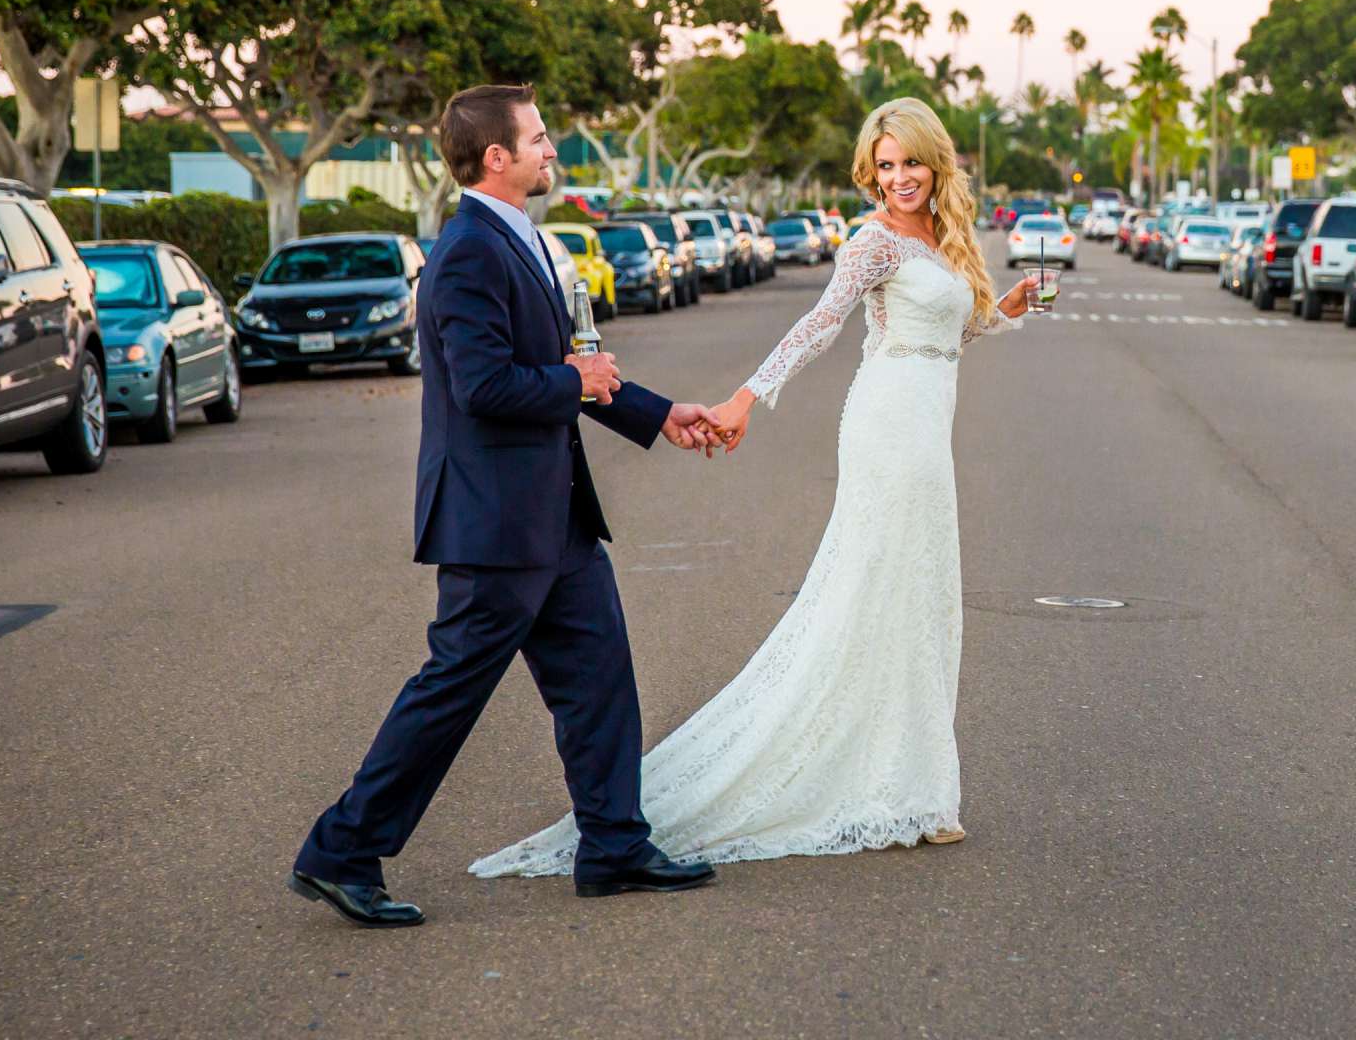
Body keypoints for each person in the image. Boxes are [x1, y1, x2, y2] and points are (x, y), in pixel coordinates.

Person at [471, 97, 1041, 878]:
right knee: (883, 588)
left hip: (925, 419)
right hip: (889, 428)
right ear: (871, 172)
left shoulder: (940, 235)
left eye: (910, 162)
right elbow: (818, 325)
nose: (900, 177)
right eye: (885, 166)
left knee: (920, 592)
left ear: (936, 162)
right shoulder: (873, 241)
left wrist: (1003, 311)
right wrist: (747, 397)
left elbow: (946, 339)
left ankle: (917, 781)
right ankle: (898, 787)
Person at [290, 84, 729, 928]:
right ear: (497, 156)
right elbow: (485, 386)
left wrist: (658, 413)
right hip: (494, 522)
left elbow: (570, 365)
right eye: (537, 138)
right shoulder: (466, 253)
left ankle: (612, 846)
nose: (550, 147)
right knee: (449, 691)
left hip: (553, 516)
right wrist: (573, 380)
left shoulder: (519, 239)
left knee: (600, 678)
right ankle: (342, 851)